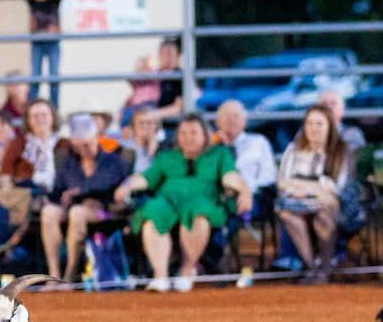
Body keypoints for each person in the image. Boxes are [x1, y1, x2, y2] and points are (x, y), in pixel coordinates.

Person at [115, 114, 249, 292]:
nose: (188, 138)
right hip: (169, 200)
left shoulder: (219, 154)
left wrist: (245, 192)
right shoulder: (166, 157)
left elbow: (230, 177)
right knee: (154, 211)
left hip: (204, 200)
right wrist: (126, 186)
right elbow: (146, 178)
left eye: (194, 133)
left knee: (198, 212)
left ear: (204, 135)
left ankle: (186, 271)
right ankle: (160, 276)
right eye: (183, 133)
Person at [40, 113, 127, 281]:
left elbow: (108, 185)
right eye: (80, 145)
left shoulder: (113, 160)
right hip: (73, 207)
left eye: (88, 143)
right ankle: (54, 274)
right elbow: (57, 190)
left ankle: (70, 274)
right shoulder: (69, 163)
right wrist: (63, 197)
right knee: (49, 212)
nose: (85, 148)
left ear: (96, 138)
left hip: (105, 211)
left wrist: (79, 192)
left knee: (78, 213)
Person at [275, 106, 351, 283]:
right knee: (286, 213)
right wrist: (316, 186)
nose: (313, 128)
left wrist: (304, 187)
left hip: (332, 206)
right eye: (309, 123)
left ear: (329, 126)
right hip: (296, 205)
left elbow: (336, 187)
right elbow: (282, 182)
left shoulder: (340, 151)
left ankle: (324, 269)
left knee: (324, 214)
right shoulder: (293, 149)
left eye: (319, 123)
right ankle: (311, 266)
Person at [213, 99, 277, 214]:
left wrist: (246, 190)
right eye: (226, 116)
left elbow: (269, 176)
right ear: (217, 122)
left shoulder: (259, 142)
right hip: (217, 197)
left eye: (236, 116)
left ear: (245, 120)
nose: (231, 120)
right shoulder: (212, 147)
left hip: (253, 196)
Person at [21, 0, 65, 106]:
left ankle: (54, 108)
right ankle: (31, 105)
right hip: (37, 41)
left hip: (53, 40)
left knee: (54, 75)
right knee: (35, 75)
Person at [125, 107, 165, 176]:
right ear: (133, 126)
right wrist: (150, 153)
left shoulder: (165, 149)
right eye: (141, 123)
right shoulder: (125, 147)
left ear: (157, 127)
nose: (145, 126)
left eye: (149, 123)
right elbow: (140, 174)